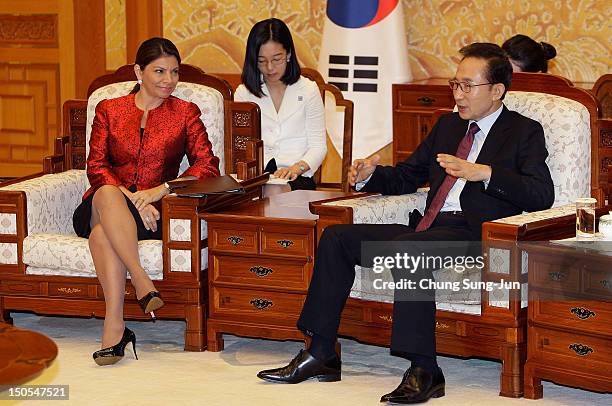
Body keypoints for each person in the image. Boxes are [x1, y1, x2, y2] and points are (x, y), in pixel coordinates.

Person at [257, 43, 554, 404]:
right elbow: (407, 176)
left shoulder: (523, 131)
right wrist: (370, 176)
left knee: (410, 250)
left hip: (478, 235)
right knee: (337, 237)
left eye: (467, 86)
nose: (457, 95)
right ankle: (321, 353)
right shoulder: (448, 125)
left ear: (496, 91)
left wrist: (485, 173)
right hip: (428, 228)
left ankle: (424, 369)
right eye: (454, 85)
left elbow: (542, 195)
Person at [72, 37, 220, 366]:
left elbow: (207, 165)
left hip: (151, 214)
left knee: (101, 236)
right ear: (139, 71)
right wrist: (131, 197)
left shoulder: (185, 112)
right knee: (107, 193)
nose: (169, 80)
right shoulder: (109, 109)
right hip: (101, 204)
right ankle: (140, 278)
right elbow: (96, 167)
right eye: (159, 71)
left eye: (174, 72)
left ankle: (115, 327)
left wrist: (160, 190)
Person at [235, 18, 326, 191]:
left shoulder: (308, 90)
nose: (270, 68)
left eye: (277, 59)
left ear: (289, 54)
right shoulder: (244, 93)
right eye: (262, 61)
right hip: (258, 177)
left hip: (297, 177)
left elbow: (319, 147)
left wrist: (296, 168)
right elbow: (240, 147)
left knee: (279, 195)